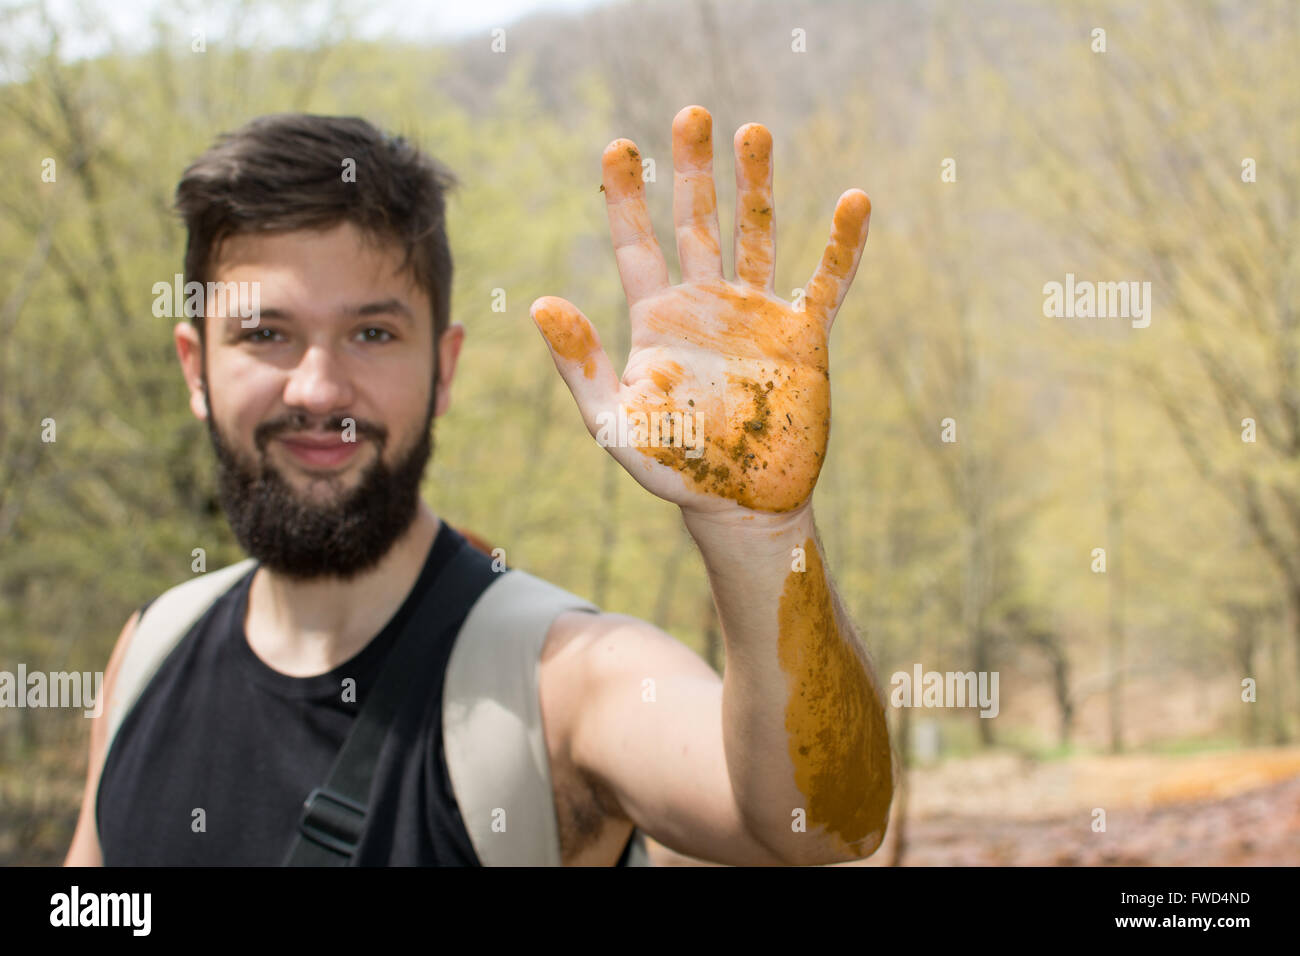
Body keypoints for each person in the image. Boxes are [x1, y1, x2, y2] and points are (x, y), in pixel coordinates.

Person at [64, 105, 894, 867]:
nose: (317, 389)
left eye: (372, 332)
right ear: (195, 366)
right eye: (265, 332)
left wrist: (759, 535)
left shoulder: (561, 679)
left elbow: (815, 828)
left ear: (444, 366)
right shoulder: (147, 652)